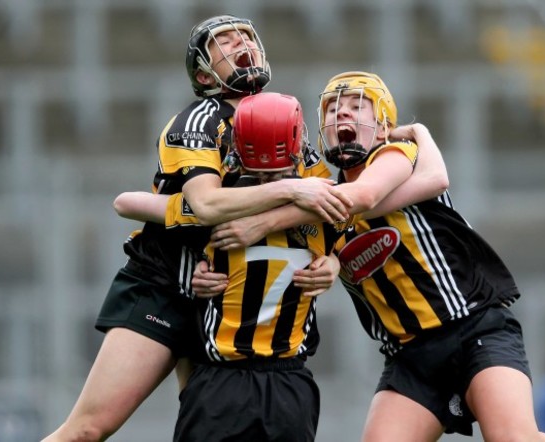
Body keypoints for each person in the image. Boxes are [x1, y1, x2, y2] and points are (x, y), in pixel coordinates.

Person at [195, 71, 545, 441]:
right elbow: (292, 250)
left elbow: (362, 199)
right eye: (333, 111)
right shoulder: (321, 198)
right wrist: (207, 270)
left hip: (473, 330)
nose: (342, 116)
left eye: (357, 107)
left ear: (384, 126)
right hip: (410, 356)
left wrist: (264, 221)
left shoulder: (396, 157)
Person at [41, 15, 348, 442]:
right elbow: (206, 204)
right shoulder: (201, 119)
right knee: (88, 429)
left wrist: (331, 260)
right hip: (166, 286)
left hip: (224, 298)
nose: (239, 43)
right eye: (224, 41)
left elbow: (328, 205)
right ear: (204, 73)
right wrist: (295, 192)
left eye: (244, 36)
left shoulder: (287, 124)